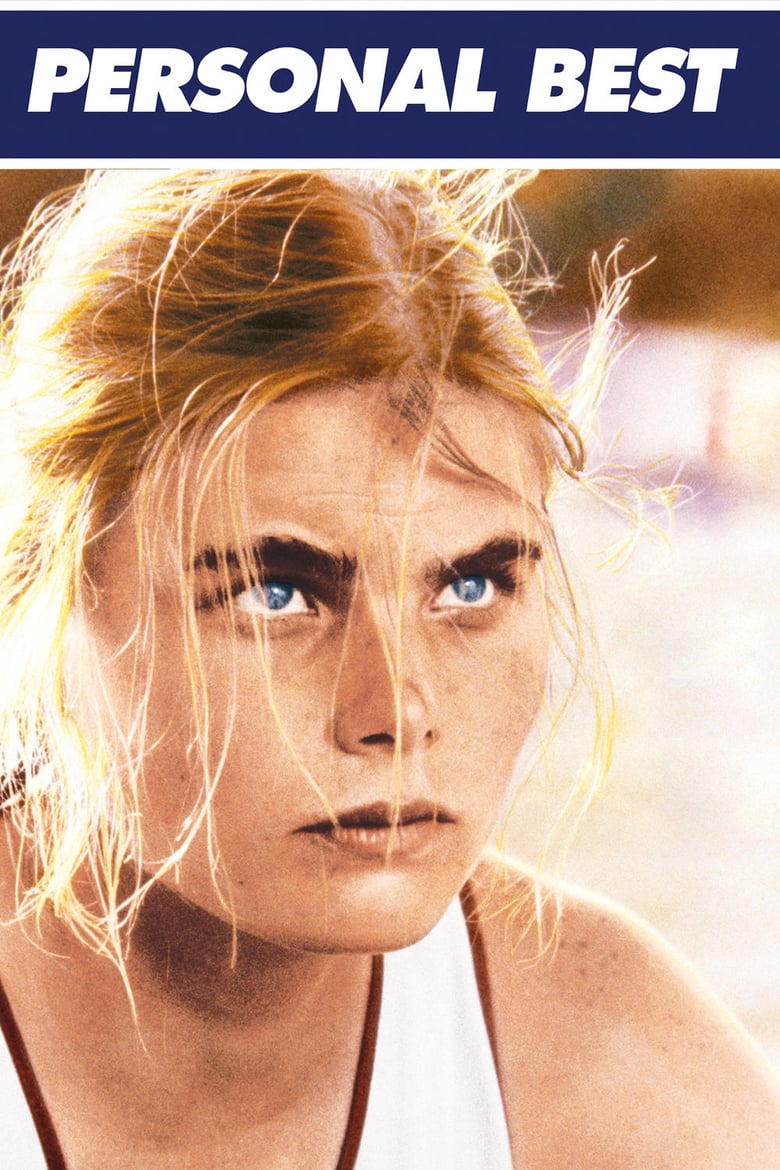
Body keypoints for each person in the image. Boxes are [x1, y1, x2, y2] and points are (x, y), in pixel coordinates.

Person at [0, 168, 776, 1170]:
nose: (396, 711)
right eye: (277, 593)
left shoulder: (615, 1075)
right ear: (47, 587)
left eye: (471, 586)